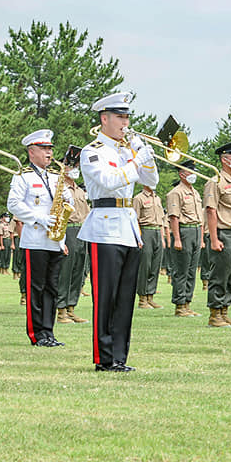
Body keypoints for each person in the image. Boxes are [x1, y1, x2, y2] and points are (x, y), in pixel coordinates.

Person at [79, 92, 158, 372]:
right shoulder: (92, 151)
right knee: (106, 296)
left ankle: (119, 356)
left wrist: (143, 156)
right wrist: (136, 162)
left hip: (128, 225)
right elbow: (110, 181)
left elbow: (152, 180)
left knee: (125, 297)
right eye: (120, 117)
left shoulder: (127, 150)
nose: (126, 122)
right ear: (105, 119)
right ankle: (103, 357)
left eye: (127, 117)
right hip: (104, 225)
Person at [7, 129, 71, 346]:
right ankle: (37, 334)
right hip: (34, 239)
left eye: (50, 149)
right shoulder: (22, 176)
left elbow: (65, 202)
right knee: (36, 288)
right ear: (31, 152)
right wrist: (38, 218)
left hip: (54, 240)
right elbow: (13, 204)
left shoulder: (55, 176)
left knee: (52, 288)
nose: (49, 153)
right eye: (44, 149)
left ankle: (49, 331)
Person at [204, 141, 231, 328]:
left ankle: (224, 311)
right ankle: (215, 314)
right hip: (223, 233)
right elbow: (211, 211)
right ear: (224, 159)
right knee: (219, 275)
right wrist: (214, 239)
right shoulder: (215, 182)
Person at [166, 161, 204, 317]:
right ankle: (180, 304)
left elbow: (200, 219)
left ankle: (187, 302)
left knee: (191, 270)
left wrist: (201, 238)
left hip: (195, 230)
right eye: (190, 172)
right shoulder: (175, 193)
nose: (193, 174)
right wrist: (177, 238)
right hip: (184, 231)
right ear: (182, 174)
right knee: (181, 270)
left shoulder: (195, 192)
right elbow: (174, 217)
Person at [57, 160, 90, 323]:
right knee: (66, 271)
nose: (75, 170)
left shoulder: (80, 190)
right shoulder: (60, 188)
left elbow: (87, 212)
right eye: (72, 167)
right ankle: (61, 309)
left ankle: (71, 307)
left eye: (77, 167)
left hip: (82, 230)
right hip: (68, 229)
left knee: (79, 270)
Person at [133, 184, 166, 310]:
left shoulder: (157, 198)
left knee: (155, 266)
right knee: (145, 266)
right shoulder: (138, 198)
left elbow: (162, 220)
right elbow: (134, 220)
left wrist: (162, 238)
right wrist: (138, 238)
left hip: (157, 231)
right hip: (146, 231)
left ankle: (150, 296)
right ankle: (142, 298)